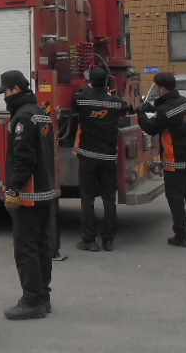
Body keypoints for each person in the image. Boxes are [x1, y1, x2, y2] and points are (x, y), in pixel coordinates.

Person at [0, 69, 58, 320]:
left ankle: (32, 301)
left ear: (14, 90)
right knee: (42, 246)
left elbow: (23, 159)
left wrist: (13, 189)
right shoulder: (41, 113)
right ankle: (43, 297)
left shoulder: (22, 117)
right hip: (45, 192)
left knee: (25, 248)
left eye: (5, 92)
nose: (4, 98)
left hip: (29, 195)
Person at [136, 72, 186, 248]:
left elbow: (151, 128)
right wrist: (153, 108)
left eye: (157, 88)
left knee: (175, 198)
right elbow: (168, 113)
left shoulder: (165, 111)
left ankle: (181, 235)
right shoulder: (184, 102)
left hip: (175, 159)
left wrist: (141, 114)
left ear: (162, 89)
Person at [71, 66, 129, 252]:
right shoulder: (116, 103)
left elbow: (73, 102)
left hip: (87, 156)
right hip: (108, 157)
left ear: (90, 82)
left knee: (87, 199)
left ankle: (89, 240)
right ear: (107, 82)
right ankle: (108, 240)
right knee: (109, 199)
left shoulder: (82, 100)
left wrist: (85, 89)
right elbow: (127, 108)